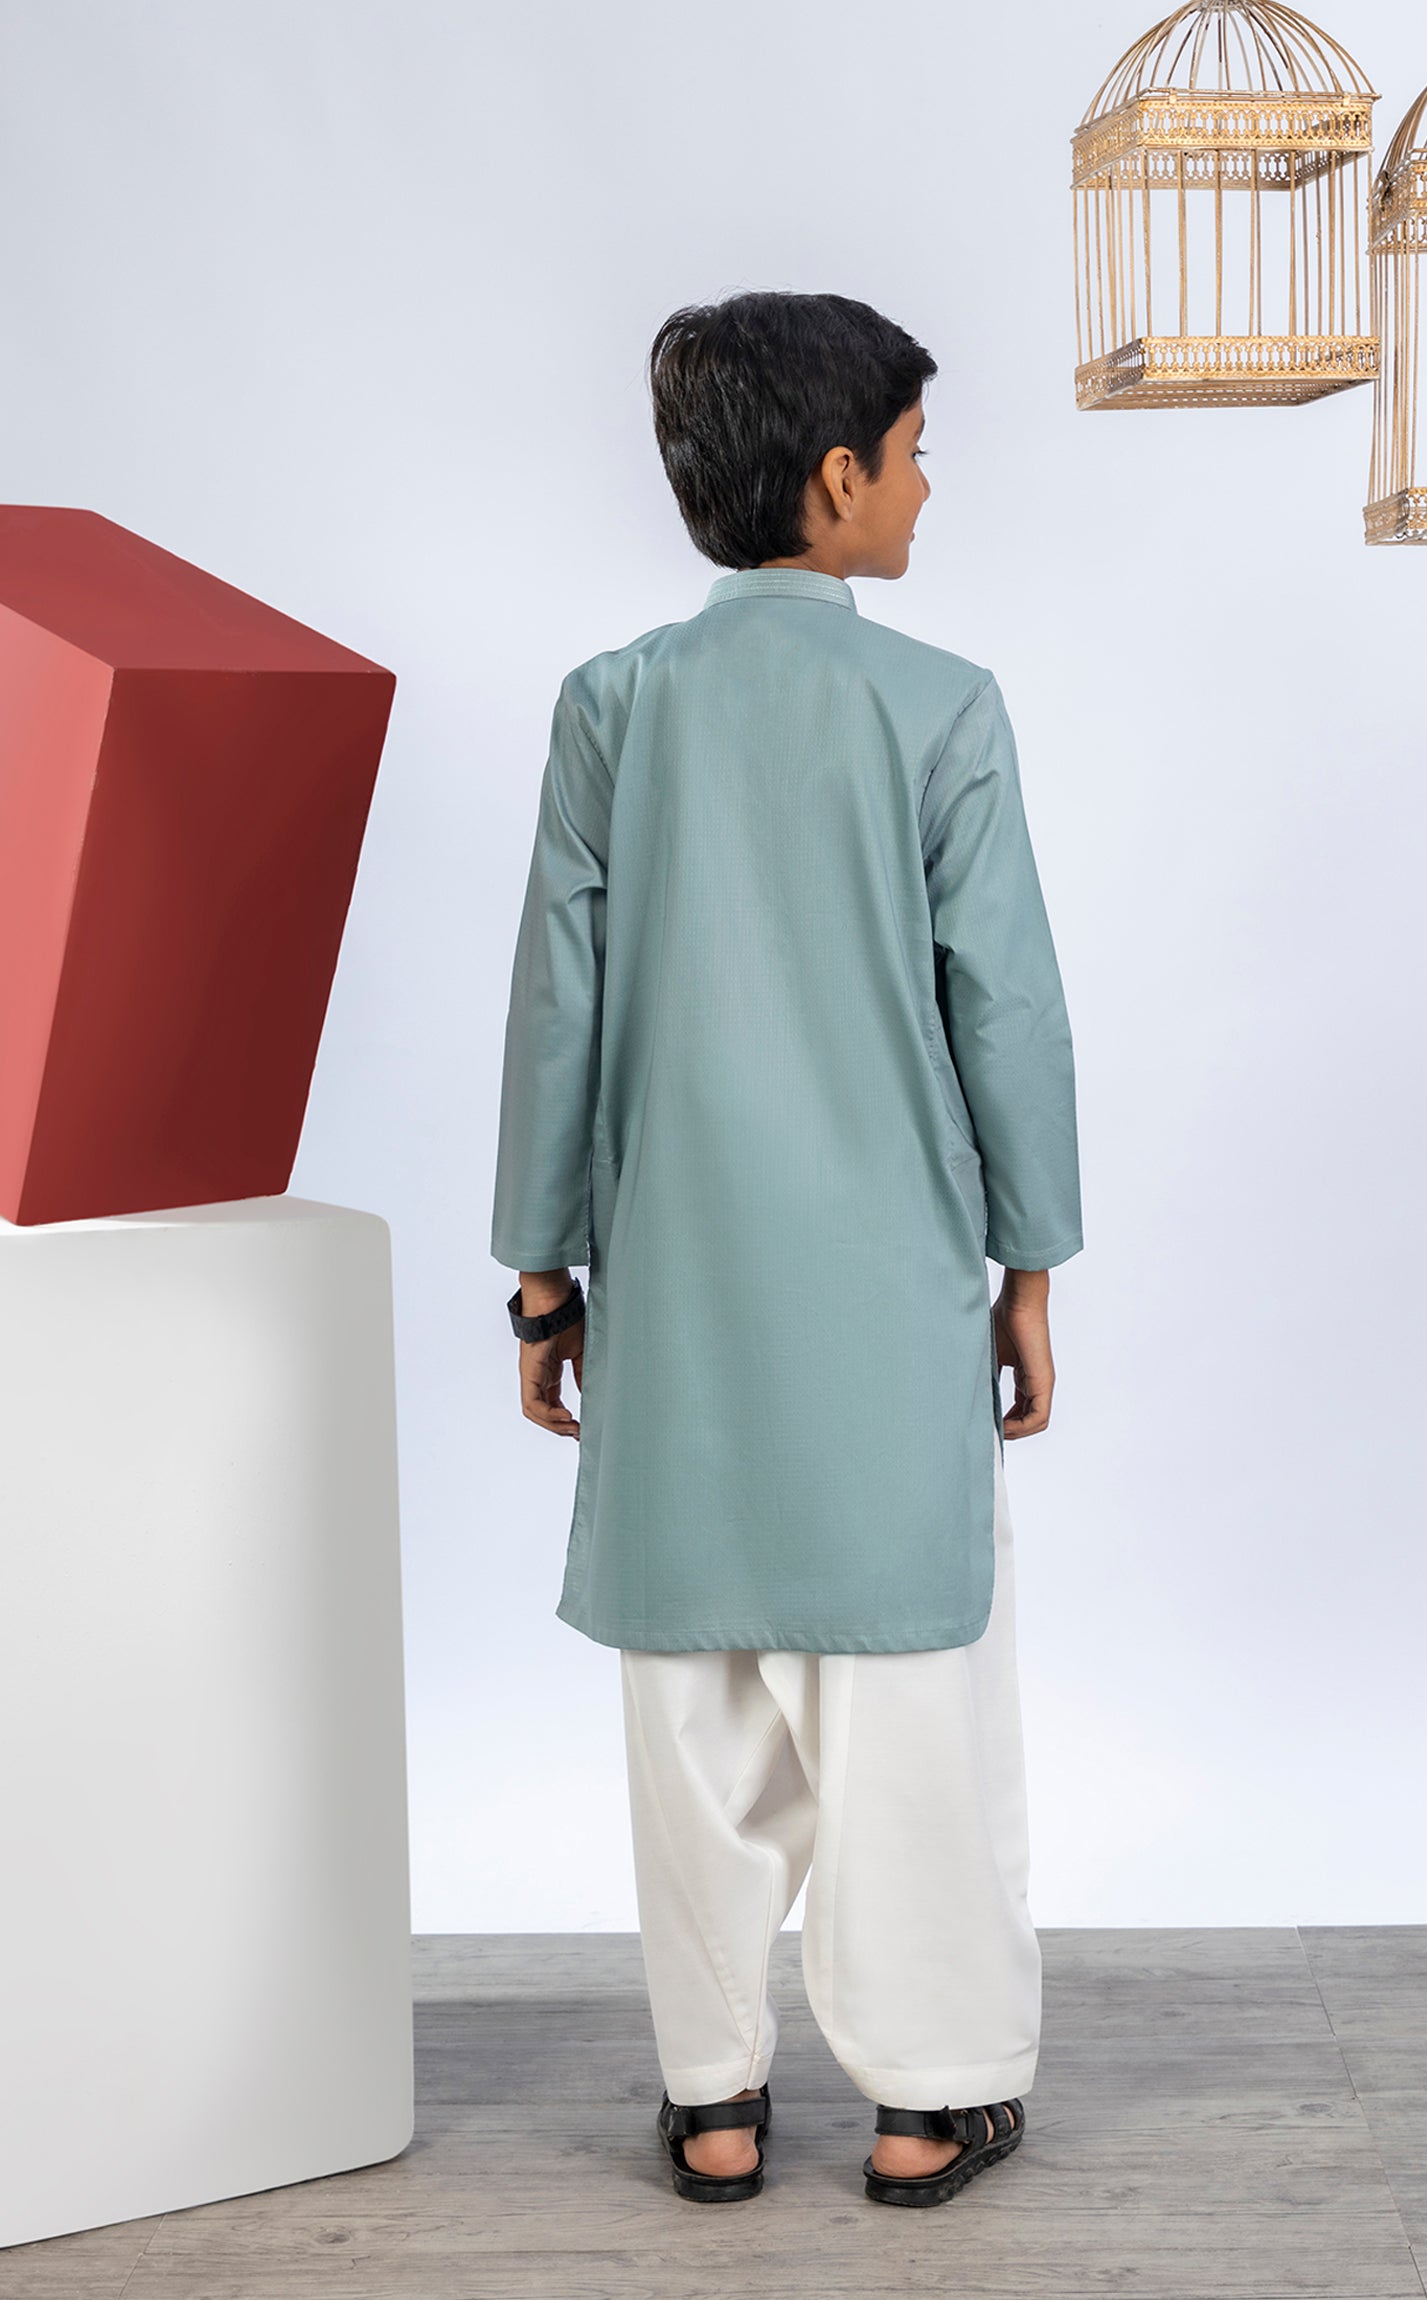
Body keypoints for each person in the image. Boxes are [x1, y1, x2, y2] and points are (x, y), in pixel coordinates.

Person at [490, 290, 1083, 2208]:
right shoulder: (941, 706)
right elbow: (1007, 1008)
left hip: (677, 1300)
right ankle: (926, 2099)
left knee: (695, 1709)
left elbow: (557, 1010)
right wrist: (1030, 1264)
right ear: (838, 479)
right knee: (909, 1709)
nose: (929, 484)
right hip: (888, 1297)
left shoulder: (613, 704)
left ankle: (716, 2099)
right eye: (915, 452)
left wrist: (543, 1276)